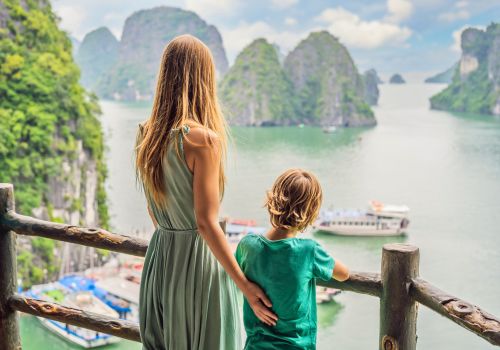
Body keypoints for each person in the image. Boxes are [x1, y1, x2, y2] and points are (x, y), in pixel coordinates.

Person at [135, 34, 277, 350]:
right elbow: (205, 222)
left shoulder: (146, 136)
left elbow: (155, 210)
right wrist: (245, 286)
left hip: (160, 260)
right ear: (204, 78)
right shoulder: (202, 140)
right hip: (198, 265)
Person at [236, 169, 350, 349]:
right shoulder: (309, 251)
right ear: (311, 210)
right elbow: (344, 274)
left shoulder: (247, 246)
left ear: (273, 199)